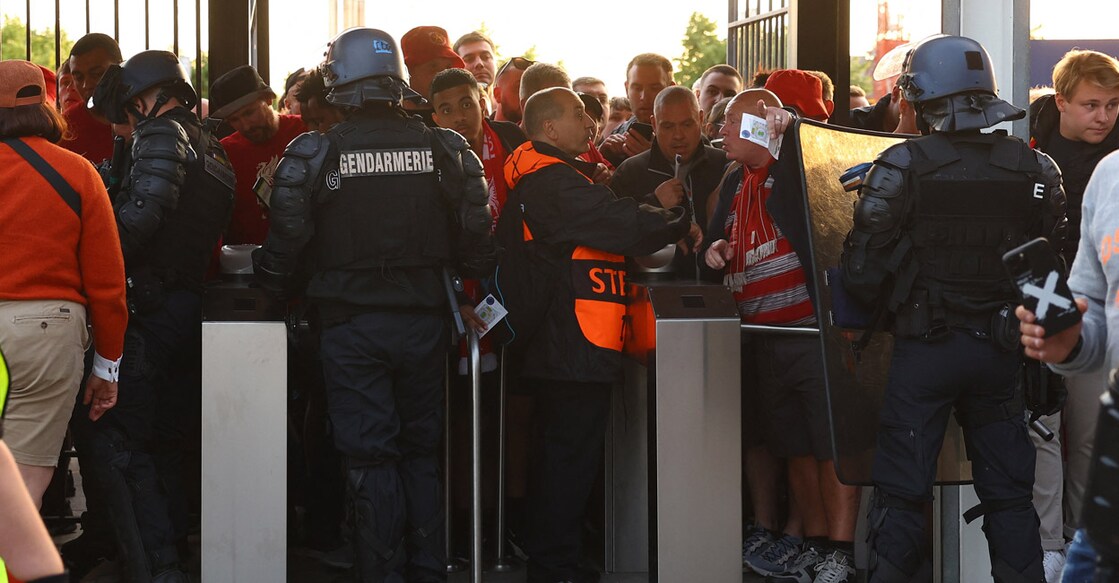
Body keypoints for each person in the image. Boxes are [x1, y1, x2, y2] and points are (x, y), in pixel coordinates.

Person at [254, 27, 496, 582]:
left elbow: (283, 247)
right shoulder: (446, 148)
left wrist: (266, 291)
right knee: (421, 451)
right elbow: (479, 247)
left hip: (349, 325)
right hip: (425, 321)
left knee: (369, 456)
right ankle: (430, 570)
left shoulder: (312, 152)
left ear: (339, 78)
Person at [840, 35, 1066, 583]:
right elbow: (1047, 278)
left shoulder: (899, 166)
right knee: (1011, 499)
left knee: (901, 494)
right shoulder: (1037, 169)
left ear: (921, 98)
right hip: (1001, 355)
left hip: (926, 351)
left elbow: (860, 277)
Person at [502, 86, 692, 583]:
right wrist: (673, 218)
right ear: (548, 128)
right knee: (567, 461)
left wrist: (650, 203)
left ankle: (558, 561)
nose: (589, 121)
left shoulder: (557, 178)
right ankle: (554, 568)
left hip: (569, 341)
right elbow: (614, 222)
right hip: (570, 343)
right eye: (577, 113)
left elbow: (600, 220)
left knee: (565, 457)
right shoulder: (552, 182)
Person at [85, 49, 236, 582]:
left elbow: (140, 216)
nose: (125, 124)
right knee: (169, 440)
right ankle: (168, 554)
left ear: (147, 97)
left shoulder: (160, 134)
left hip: (149, 311)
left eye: (129, 109)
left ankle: (155, 567)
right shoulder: (213, 149)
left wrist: (94, 267)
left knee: (121, 439)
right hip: (188, 308)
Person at [0, 59, 127, 512]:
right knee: (21, 492)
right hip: (45, 333)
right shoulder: (77, 172)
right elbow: (107, 284)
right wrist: (106, 367)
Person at [1025, 48, 1119, 582]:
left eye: (1112, 105)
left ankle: (1083, 536)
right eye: (1091, 105)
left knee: (1087, 432)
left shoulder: (1114, 167)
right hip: (1044, 297)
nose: (1103, 116)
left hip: (1098, 312)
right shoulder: (1027, 153)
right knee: (1041, 426)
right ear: (1060, 102)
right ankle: (1048, 545)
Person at [609, 85, 726, 277]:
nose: (678, 135)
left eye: (687, 124)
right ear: (654, 124)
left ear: (701, 119)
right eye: (668, 126)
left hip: (722, 295)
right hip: (650, 295)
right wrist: (654, 204)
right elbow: (612, 234)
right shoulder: (630, 172)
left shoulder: (724, 166)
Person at [210, 64, 307, 245]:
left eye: (249, 112)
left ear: (268, 99)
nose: (245, 126)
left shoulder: (305, 130)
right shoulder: (225, 153)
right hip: (247, 262)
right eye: (234, 120)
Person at [599, 53, 675, 166]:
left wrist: (654, 159)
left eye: (654, 88)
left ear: (670, 89)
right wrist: (600, 156)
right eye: (637, 88)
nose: (644, 97)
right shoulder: (619, 133)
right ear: (626, 89)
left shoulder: (689, 134)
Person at [59, 33, 122, 164]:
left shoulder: (145, 117)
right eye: (78, 77)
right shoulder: (65, 129)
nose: (86, 85)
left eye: (97, 74)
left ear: (120, 68)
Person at [401, 25, 466, 126]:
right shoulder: (386, 120)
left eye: (448, 67)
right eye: (433, 68)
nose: (444, 75)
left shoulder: (462, 119)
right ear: (408, 72)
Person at [493, 56, 532, 124]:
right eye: (519, 88)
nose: (527, 97)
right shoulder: (478, 132)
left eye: (532, 91)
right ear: (498, 95)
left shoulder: (545, 132)